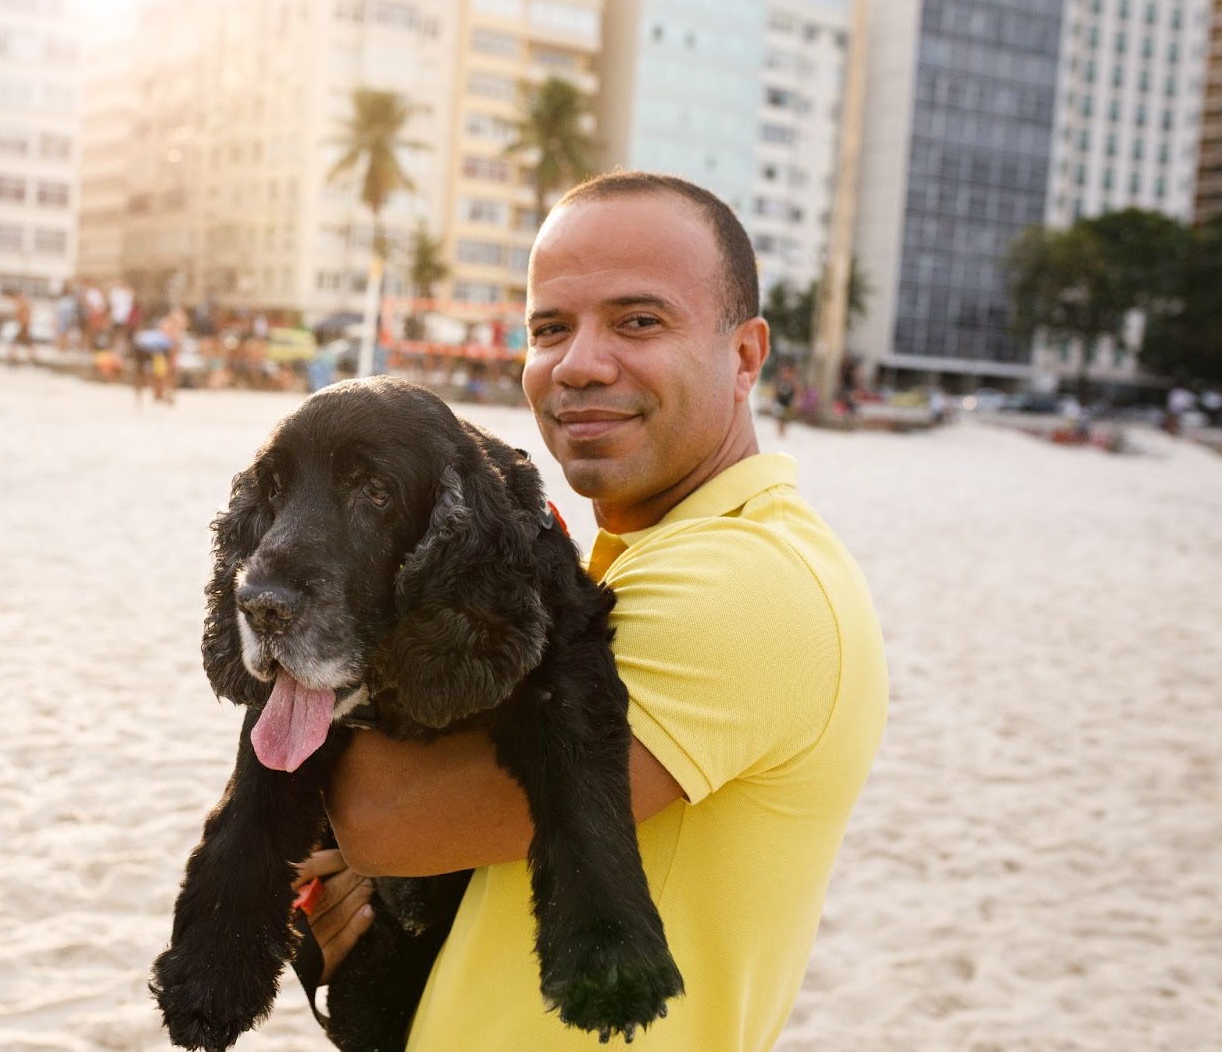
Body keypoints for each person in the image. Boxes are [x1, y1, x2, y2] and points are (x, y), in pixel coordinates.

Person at [304, 172, 888, 1051]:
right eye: (550, 328)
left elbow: (385, 820)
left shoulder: (747, 586)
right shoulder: (632, 566)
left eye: (638, 321)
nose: (578, 364)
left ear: (745, 356)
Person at [5, 288, 38, 367]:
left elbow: (23, 315)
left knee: (15, 343)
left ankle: (12, 359)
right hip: (23, 325)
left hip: (23, 326)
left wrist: (23, 325)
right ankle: (33, 359)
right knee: (28, 344)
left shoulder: (21, 302)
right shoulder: (23, 301)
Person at [773, 360, 799, 438]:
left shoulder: (793, 382)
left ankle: (784, 433)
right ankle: (780, 433)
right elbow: (774, 390)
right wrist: (773, 399)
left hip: (788, 401)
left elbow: (797, 391)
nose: (785, 374)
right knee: (779, 417)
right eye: (783, 372)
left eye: (787, 373)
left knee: (786, 418)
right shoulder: (778, 381)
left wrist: (796, 401)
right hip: (780, 400)